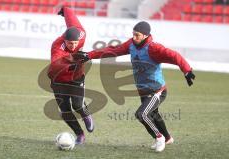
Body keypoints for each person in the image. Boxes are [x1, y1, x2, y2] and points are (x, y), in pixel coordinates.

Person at [75, 21, 195, 152]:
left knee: (141, 114)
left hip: (157, 91)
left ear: (145, 35)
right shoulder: (131, 44)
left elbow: (174, 56)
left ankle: (159, 137)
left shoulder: (154, 48)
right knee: (153, 115)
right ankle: (167, 138)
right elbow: (112, 50)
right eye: (133, 34)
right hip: (143, 91)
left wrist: (187, 70)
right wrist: (89, 55)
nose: (134, 37)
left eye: (137, 35)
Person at [47, 7, 94, 145]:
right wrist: (73, 59)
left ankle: (86, 114)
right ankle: (80, 134)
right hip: (59, 80)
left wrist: (66, 10)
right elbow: (56, 65)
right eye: (69, 43)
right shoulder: (57, 47)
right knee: (65, 111)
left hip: (77, 78)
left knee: (78, 105)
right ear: (64, 40)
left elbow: (73, 22)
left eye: (75, 43)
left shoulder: (81, 34)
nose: (73, 46)